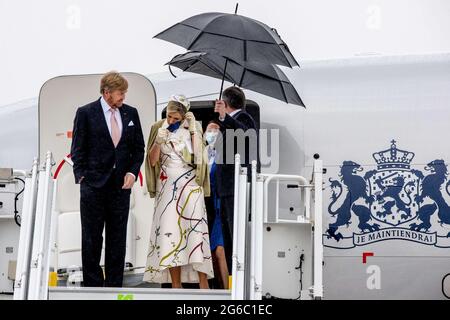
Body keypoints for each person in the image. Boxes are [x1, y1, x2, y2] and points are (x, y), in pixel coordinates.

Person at [70, 71, 145, 287]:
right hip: (93, 186)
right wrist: (82, 177)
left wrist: (132, 172)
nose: (124, 97)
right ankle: (93, 288)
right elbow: (77, 149)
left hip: (120, 188)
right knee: (92, 239)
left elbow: (138, 149)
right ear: (107, 92)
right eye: (121, 93)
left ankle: (114, 287)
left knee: (117, 240)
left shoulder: (131, 113)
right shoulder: (85, 113)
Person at [144, 95, 213, 289]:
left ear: (183, 116)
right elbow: (151, 161)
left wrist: (192, 132)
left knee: (195, 233)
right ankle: (175, 285)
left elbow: (199, 158)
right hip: (167, 187)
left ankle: (203, 283)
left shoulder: (194, 127)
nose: (171, 121)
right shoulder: (158, 127)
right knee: (170, 233)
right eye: (169, 116)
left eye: (176, 118)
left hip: (191, 186)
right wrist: (158, 142)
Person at [214, 86, 259, 272]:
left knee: (236, 234)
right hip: (226, 188)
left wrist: (225, 117)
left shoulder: (244, 118)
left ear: (226, 103)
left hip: (236, 187)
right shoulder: (229, 121)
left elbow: (243, 133)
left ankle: (240, 275)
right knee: (228, 235)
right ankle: (233, 278)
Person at [204, 121, 229, 289]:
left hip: (221, 206)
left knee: (220, 251)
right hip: (206, 207)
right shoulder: (204, 152)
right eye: (209, 129)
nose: (212, 132)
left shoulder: (225, 153)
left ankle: (229, 291)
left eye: (216, 129)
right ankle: (216, 289)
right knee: (211, 253)